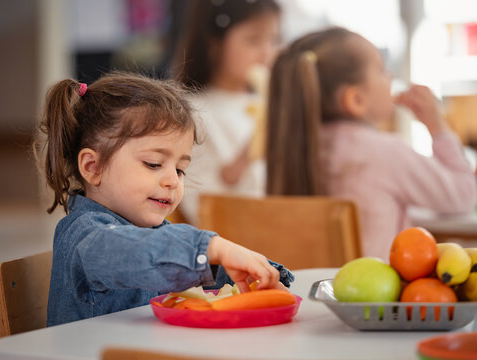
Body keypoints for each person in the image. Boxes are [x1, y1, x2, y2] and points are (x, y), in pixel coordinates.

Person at [34, 72, 293, 327]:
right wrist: (211, 248)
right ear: (93, 167)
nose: (173, 180)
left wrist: (255, 275)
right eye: (154, 164)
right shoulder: (85, 235)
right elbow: (137, 252)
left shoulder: (156, 233)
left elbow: (187, 270)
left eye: (180, 169)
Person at [266, 27, 477, 261]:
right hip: (375, 296)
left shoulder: (293, 148)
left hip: (310, 292)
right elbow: (463, 196)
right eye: (381, 69)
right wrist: (437, 126)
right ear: (356, 100)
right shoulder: (385, 152)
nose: (389, 77)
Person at [171, 0, 281, 224]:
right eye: (253, 40)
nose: (266, 53)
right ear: (214, 43)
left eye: (274, 39)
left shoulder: (274, 104)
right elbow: (200, 209)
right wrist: (248, 154)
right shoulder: (190, 111)